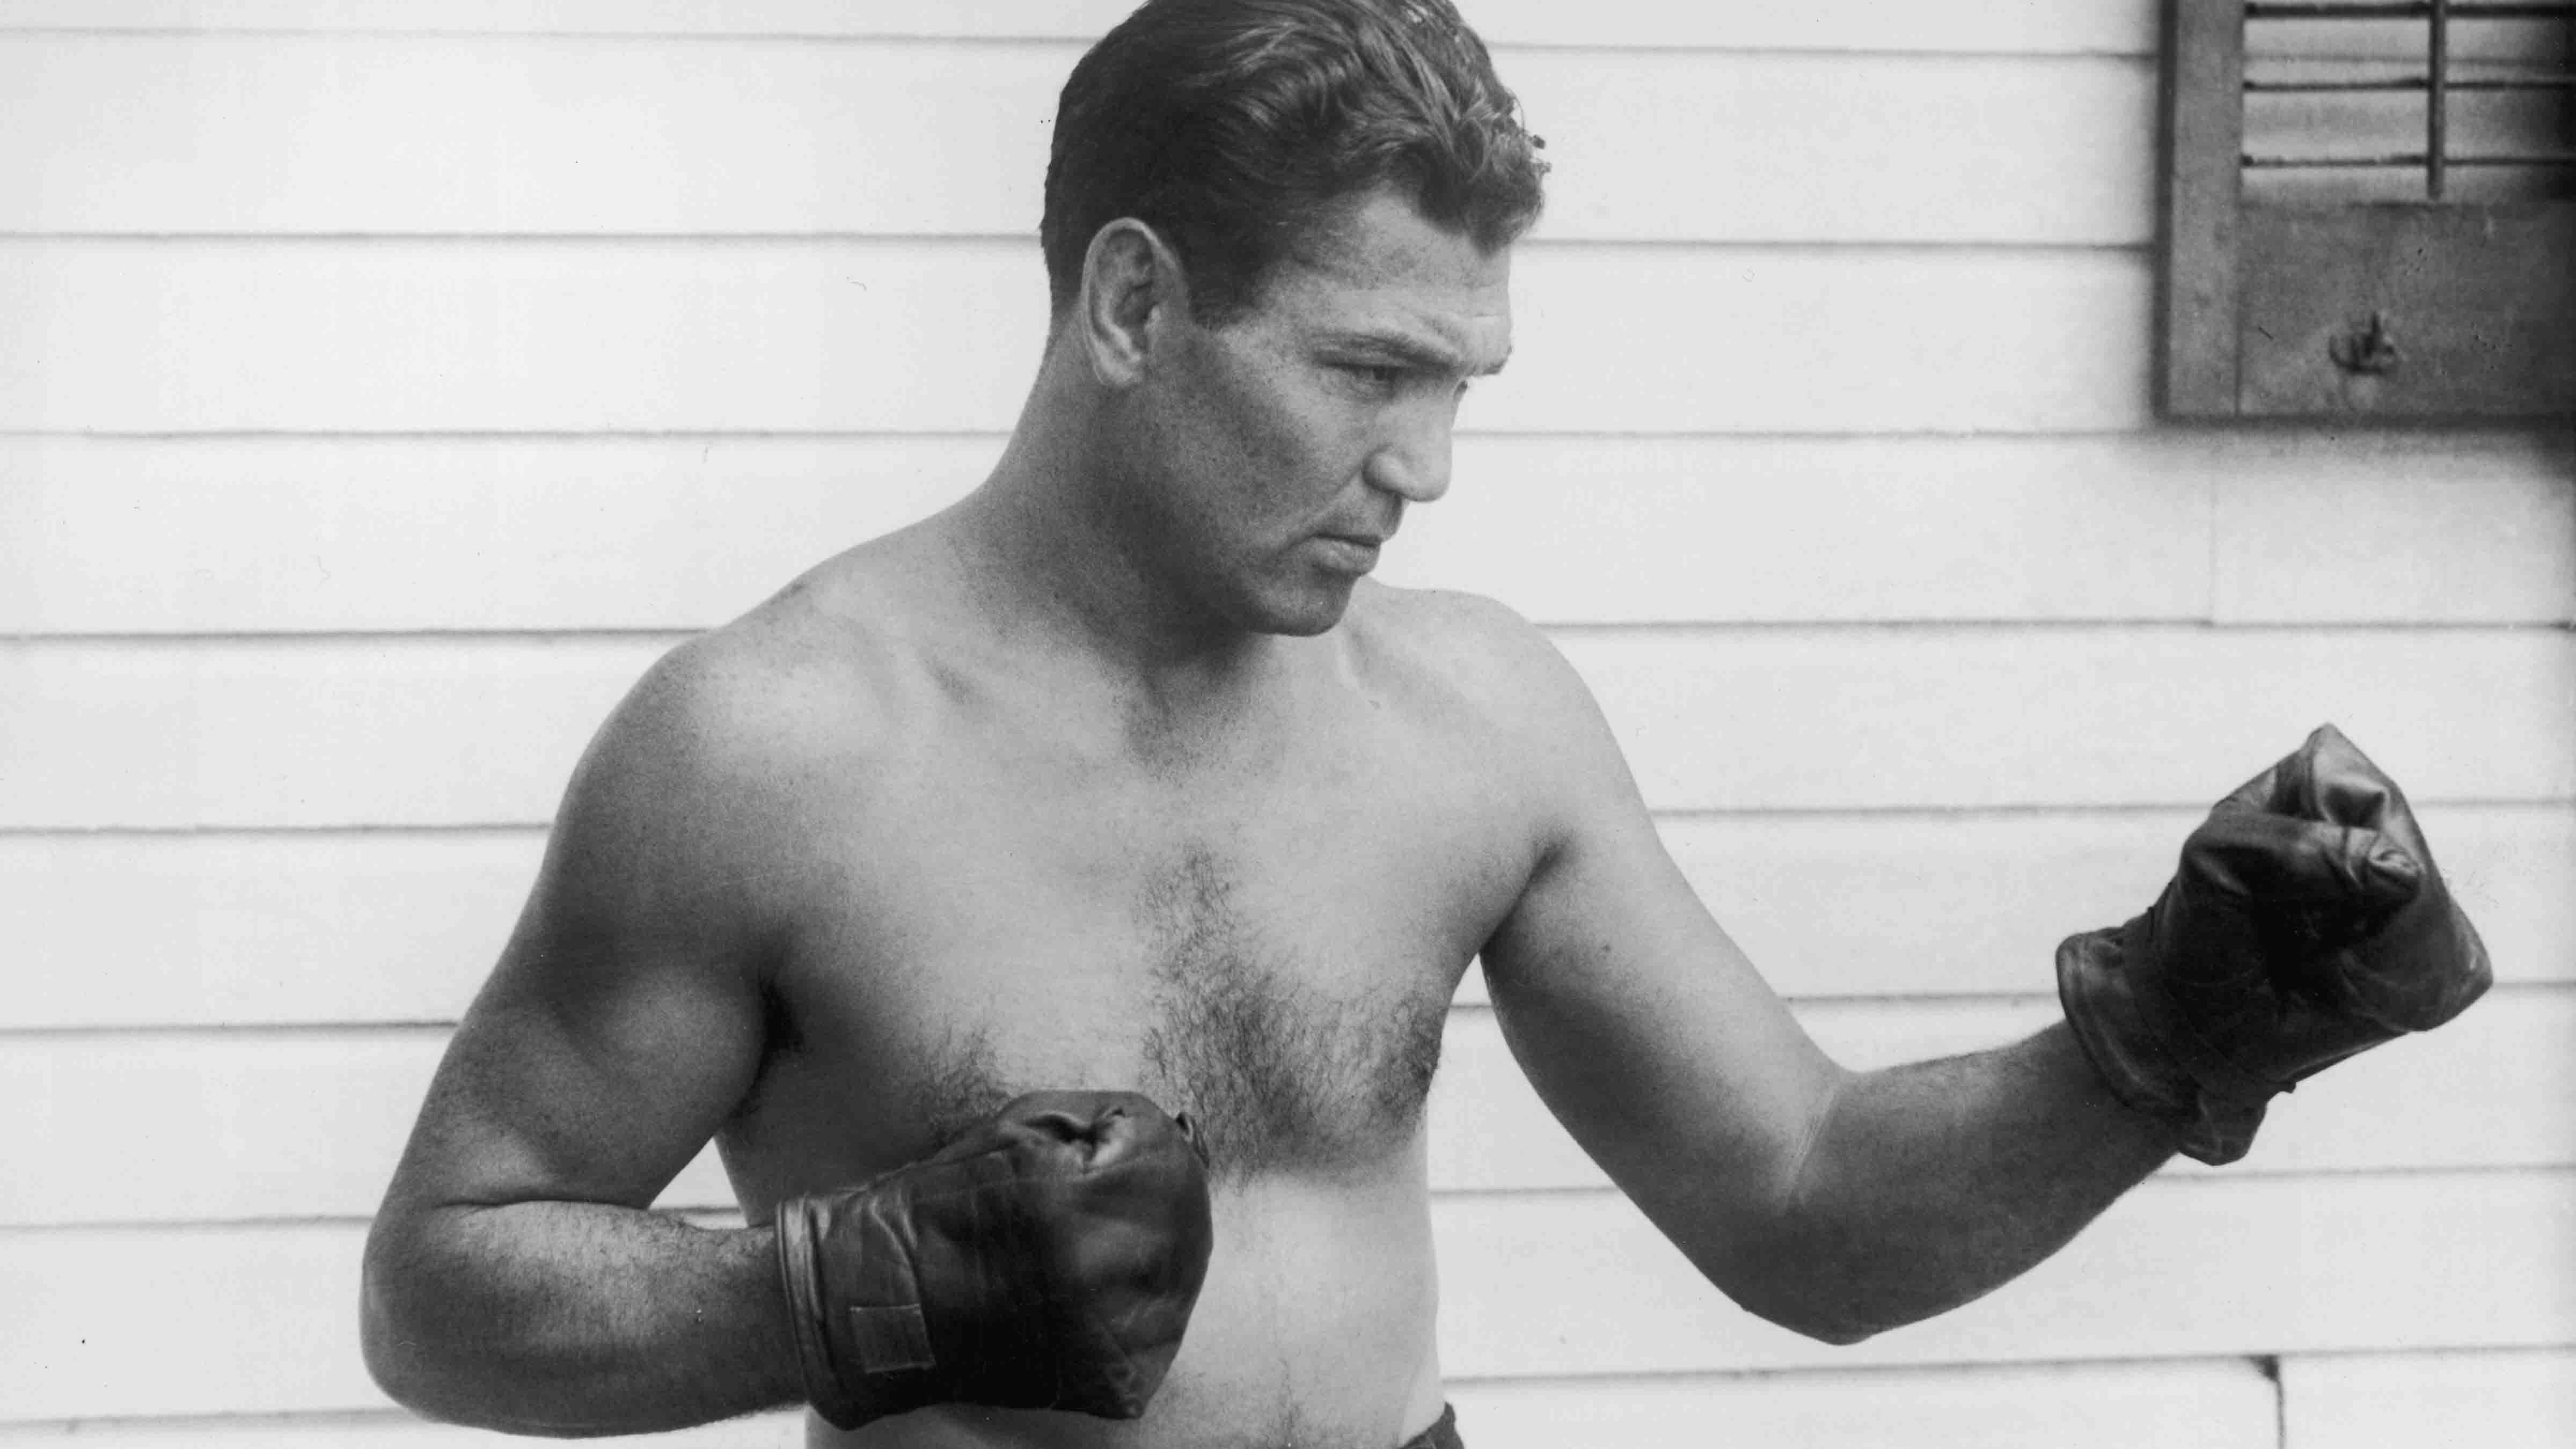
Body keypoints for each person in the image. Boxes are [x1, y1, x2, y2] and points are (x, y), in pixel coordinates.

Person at [357, 2, 2491, 1445]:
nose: (1429, 463)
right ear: (1131, 305)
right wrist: (846, 1287)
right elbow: (439, 1293)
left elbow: (1807, 1210)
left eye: (1461, 385)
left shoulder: (1474, 717)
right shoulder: (777, 750)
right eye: (1371, 373)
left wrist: (2175, 1036)